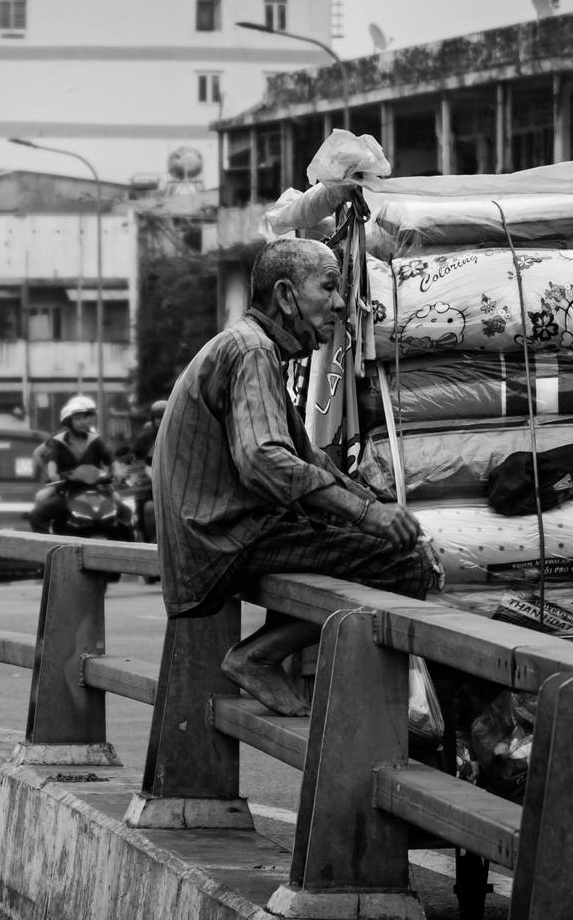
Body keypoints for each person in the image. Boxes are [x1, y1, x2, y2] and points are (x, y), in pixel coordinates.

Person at [155, 236, 443, 717]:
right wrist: (367, 515)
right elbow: (264, 460)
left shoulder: (248, 346)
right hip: (224, 540)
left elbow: (310, 461)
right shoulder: (252, 351)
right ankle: (261, 657)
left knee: (383, 540)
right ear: (286, 296)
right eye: (328, 288)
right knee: (407, 565)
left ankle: (276, 660)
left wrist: (377, 510)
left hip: (216, 537)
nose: (339, 305)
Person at [27, 395, 131, 537]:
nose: (83, 421)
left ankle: (130, 548)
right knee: (36, 515)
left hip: (96, 487)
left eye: (84, 417)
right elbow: (52, 459)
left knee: (125, 512)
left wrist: (118, 471)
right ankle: (47, 547)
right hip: (69, 488)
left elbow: (110, 457)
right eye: (78, 419)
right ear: (68, 421)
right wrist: (52, 475)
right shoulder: (58, 440)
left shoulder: (95, 439)